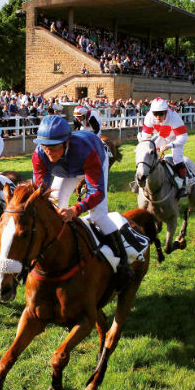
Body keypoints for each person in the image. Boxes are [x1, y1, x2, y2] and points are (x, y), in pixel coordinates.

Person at [31, 115, 138, 291]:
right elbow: (41, 190)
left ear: (66, 143)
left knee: (98, 215)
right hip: (65, 169)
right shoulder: (39, 155)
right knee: (56, 205)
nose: (48, 152)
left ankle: (123, 266)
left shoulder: (86, 150)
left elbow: (97, 192)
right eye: (45, 147)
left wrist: (75, 209)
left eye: (53, 147)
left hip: (92, 161)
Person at [139, 98, 191, 197]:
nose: (158, 117)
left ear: (166, 112)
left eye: (161, 113)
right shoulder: (149, 117)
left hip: (175, 139)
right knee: (146, 158)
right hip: (161, 136)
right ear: (152, 112)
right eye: (155, 114)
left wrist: (169, 146)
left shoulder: (174, 117)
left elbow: (183, 137)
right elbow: (145, 137)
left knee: (177, 158)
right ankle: (140, 182)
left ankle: (183, 185)